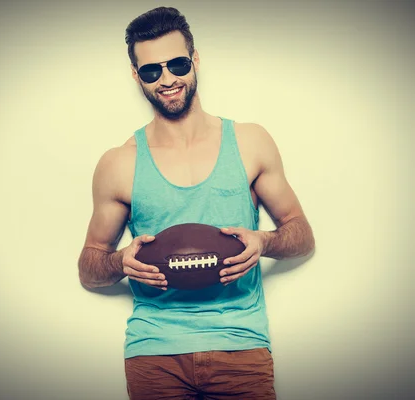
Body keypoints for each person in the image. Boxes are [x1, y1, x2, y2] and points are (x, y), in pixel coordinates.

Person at [78, 6, 315, 400]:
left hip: (240, 342)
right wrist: (120, 261)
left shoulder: (250, 142)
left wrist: (265, 242)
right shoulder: (119, 163)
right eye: (152, 70)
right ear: (136, 76)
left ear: (196, 60)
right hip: (154, 350)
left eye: (177, 64)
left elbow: (302, 235)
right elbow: (89, 268)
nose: (167, 79)